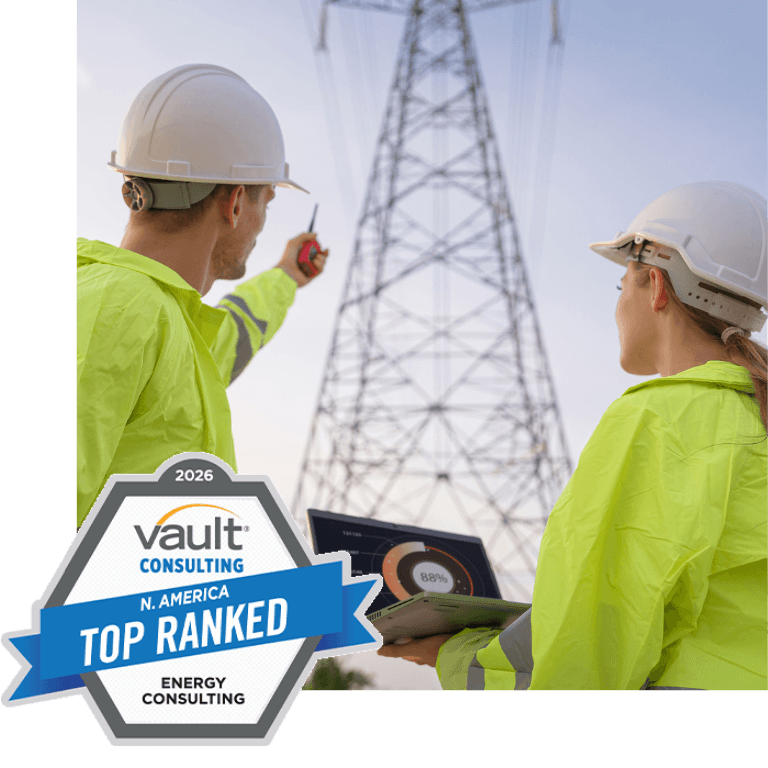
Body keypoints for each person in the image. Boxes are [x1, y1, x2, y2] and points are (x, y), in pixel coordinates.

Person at [379, 181, 768, 690]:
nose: (618, 305)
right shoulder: (753, 416)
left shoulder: (658, 421)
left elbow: (580, 662)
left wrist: (453, 654)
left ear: (655, 285)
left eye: (621, 286)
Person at [77, 64, 328, 529]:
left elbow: (233, 336)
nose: (262, 222)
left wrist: (287, 276)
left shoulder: (161, 321)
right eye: (266, 202)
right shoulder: (121, 308)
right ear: (235, 204)